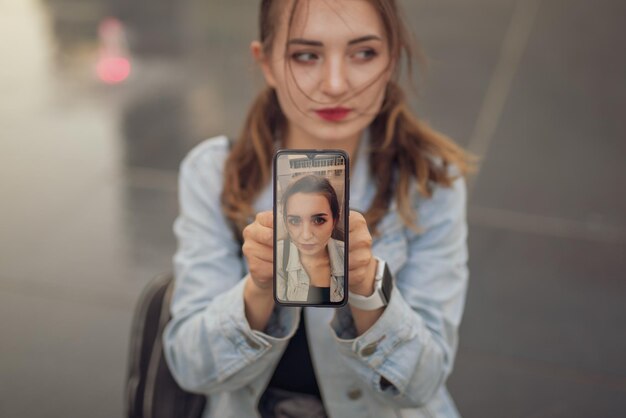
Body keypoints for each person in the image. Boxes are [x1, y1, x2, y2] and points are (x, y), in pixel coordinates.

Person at [163, 0, 473, 417]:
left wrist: (369, 293)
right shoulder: (213, 173)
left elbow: (423, 383)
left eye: (364, 53)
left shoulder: (430, 182)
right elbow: (189, 366)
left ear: (391, 60)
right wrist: (258, 290)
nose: (335, 83)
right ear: (267, 63)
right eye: (306, 55)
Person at [277, 174, 345, 303]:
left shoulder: (349, 255)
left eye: (318, 220)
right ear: (286, 222)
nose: (306, 235)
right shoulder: (276, 256)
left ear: (334, 221)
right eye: (295, 220)